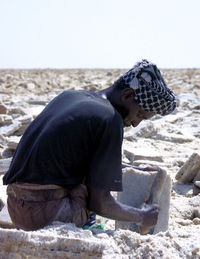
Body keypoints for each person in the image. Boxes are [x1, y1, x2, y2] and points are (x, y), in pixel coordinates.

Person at [3, 59, 176, 231]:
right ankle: (85, 226)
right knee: (92, 188)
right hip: (46, 214)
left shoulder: (71, 97)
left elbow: (68, 157)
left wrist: (124, 167)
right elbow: (100, 203)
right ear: (128, 95)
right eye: (139, 114)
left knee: (96, 176)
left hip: (15, 206)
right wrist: (141, 216)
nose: (136, 123)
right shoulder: (110, 118)